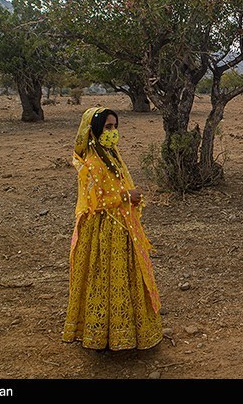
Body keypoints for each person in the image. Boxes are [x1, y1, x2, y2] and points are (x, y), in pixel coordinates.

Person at [62, 106, 163, 351]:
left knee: (123, 278)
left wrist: (128, 197)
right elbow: (94, 201)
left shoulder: (111, 154)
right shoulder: (92, 162)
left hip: (120, 225)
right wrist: (126, 196)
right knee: (103, 278)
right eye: (108, 127)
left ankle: (126, 330)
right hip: (102, 230)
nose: (113, 132)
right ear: (95, 129)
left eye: (115, 127)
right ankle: (101, 334)